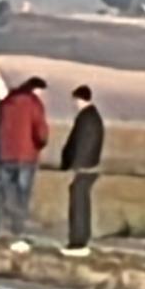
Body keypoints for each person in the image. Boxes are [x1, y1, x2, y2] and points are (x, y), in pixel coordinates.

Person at [0, 76, 49, 250]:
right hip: (25, 156)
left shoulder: (6, 103)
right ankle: (17, 232)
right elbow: (41, 132)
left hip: (5, 155)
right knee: (22, 195)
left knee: (2, 193)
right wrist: (40, 144)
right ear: (35, 90)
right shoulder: (33, 104)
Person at [58, 84, 104, 257]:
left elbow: (82, 144)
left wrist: (76, 166)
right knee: (80, 202)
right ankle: (79, 239)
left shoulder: (87, 118)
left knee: (79, 204)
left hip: (84, 168)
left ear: (79, 99)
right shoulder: (92, 117)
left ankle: (78, 242)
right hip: (88, 167)